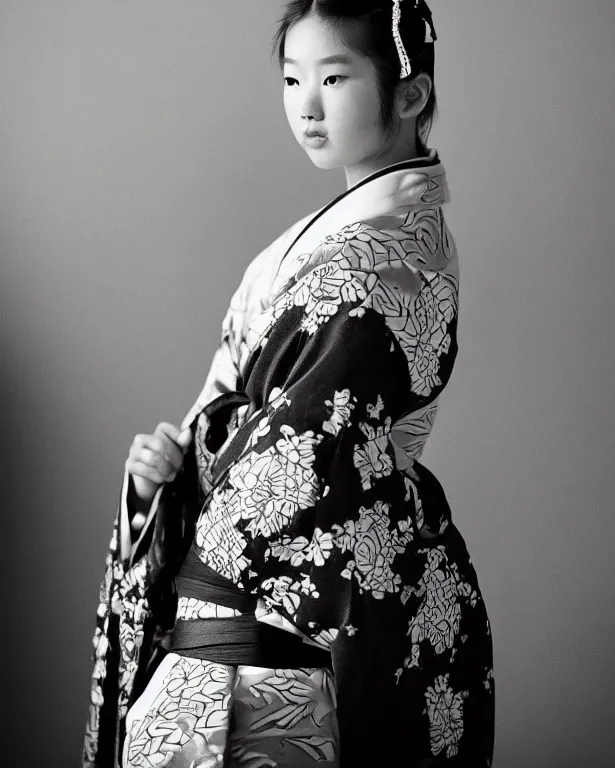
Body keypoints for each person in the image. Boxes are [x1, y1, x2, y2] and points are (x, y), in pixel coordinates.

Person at [83, 1, 495, 766]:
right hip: (244, 623)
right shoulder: (317, 244)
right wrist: (161, 478)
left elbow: (297, 458)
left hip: (282, 640)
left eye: (334, 78)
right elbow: (225, 413)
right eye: (292, 78)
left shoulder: (386, 260)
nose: (306, 104)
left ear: (411, 94)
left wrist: (207, 450)